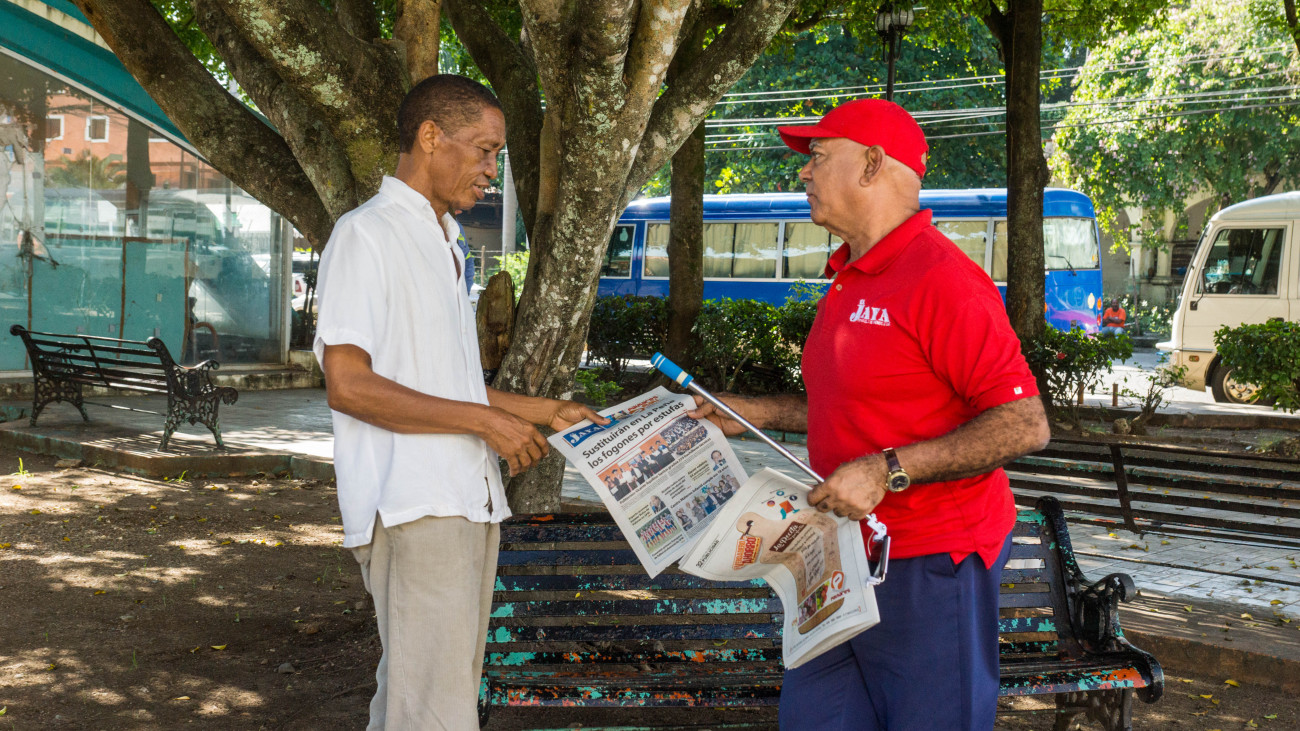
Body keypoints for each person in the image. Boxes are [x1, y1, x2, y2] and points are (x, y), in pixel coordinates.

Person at [690, 99, 1050, 731]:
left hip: (931, 562)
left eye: (818, 155)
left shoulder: (944, 279)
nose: (803, 172)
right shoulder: (850, 274)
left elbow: (1024, 423)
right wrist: (752, 412)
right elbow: (858, 404)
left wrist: (886, 470)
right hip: (838, 560)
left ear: (872, 164)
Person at [313, 74, 605, 730]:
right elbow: (348, 385)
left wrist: (544, 412)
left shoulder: (445, 241)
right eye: (484, 150)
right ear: (429, 136)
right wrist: (485, 422)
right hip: (415, 504)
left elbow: (447, 382)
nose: (492, 169)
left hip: (466, 500)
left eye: (497, 154)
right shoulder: (367, 235)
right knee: (434, 713)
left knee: (420, 702)